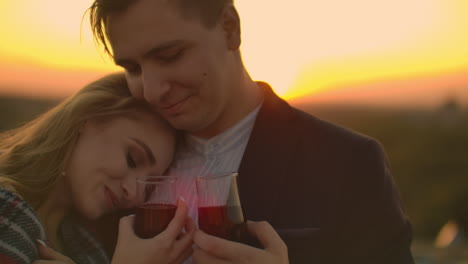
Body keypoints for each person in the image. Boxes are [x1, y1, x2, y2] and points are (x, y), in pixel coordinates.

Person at [88, 0, 415, 263]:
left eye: (170, 55)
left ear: (230, 28)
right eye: (132, 68)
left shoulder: (348, 162)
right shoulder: (113, 158)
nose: (151, 90)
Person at [0, 73, 195, 264]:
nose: (134, 195)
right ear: (86, 118)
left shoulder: (85, 243)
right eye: (132, 160)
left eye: (148, 186)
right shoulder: (7, 211)